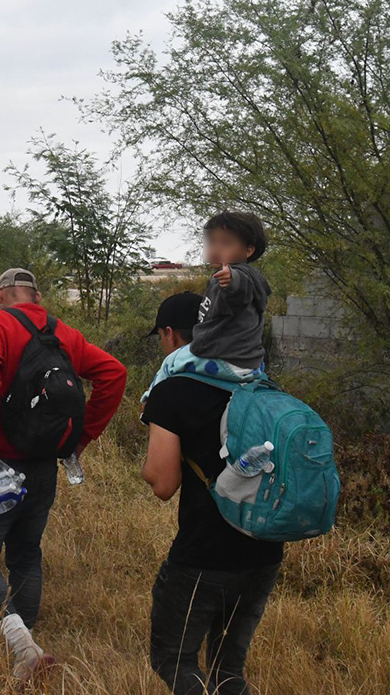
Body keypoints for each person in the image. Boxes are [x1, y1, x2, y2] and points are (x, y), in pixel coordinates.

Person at [0, 268, 127, 683]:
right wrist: (81, 439)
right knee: (26, 552)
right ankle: (27, 642)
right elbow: (114, 374)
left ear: (1, 295)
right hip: (44, 464)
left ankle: (22, 646)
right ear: (36, 296)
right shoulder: (64, 334)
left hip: (1, 462)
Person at [141, 292, 283, 695]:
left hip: (204, 556)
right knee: (228, 672)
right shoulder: (261, 384)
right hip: (264, 550)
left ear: (170, 335)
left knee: (175, 660)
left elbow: (163, 484)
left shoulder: (173, 391)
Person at [143, 212, 270, 401]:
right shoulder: (230, 276)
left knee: (171, 362)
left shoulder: (239, 276)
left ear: (248, 250)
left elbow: (239, 291)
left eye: (226, 243)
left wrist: (231, 280)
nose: (216, 249)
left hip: (225, 358)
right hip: (248, 361)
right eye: (212, 242)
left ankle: (149, 401)